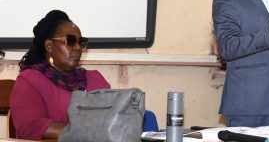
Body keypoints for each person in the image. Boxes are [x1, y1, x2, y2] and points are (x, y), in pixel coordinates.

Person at [10, 10, 158, 140]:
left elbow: (112, 118)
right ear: (49, 46)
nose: (77, 48)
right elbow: (30, 126)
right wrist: (83, 132)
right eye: (70, 41)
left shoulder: (93, 79)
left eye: (80, 42)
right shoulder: (31, 80)